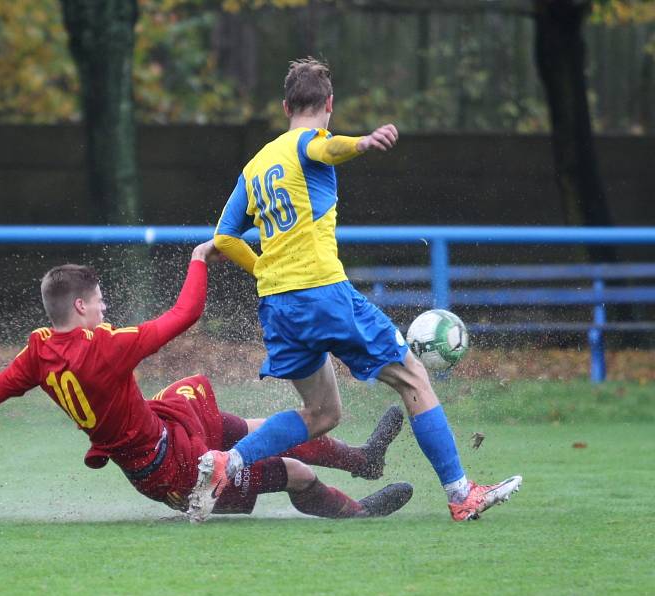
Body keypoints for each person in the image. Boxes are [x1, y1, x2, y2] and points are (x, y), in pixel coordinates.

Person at [190, 57, 521, 523]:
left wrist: (262, 265)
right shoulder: (315, 141)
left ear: (285, 105)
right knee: (412, 376)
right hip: (324, 293)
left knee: (321, 413)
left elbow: (224, 237)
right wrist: (363, 143)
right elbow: (325, 150)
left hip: (279, 307)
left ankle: (230, 461)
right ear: (329, 104)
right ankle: (461, 493)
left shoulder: (255, 165)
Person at [0, 241, 413, 521]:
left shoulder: (37, 351)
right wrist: (200, 256)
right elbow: (187, 313)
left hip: (161, 430)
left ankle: (363, 460)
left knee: (254, 429)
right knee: (295, 473)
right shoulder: (105, 347)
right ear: (80, 306)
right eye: (99, 301)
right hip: (173, 470)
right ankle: (361, 515)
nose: (105, 308)